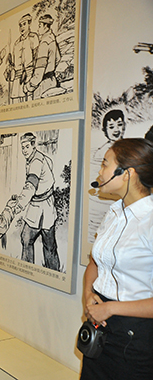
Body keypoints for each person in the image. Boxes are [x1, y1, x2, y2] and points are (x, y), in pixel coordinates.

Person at [82, 138, 153, 379]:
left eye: (105, 164)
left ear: (126, 173)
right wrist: (88, 294)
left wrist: (111, 308)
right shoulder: (114, 213)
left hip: (134, 339)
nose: (100, 172)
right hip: (100, 326)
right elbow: (95, 262)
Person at [13, 133, 59, 271]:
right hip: (37, 204)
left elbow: (31, 186)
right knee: (26, 238)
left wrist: (19, 204)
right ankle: (27, 270)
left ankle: (53, 271)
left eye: (27, 147)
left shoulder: (36, 162)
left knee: (48, 243)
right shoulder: (36, 158)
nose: (24, 150)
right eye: (22, 147)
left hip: (45, 205)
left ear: (33, 146)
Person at [24, 14, 61, 99]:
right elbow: (58, 59)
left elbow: (39, 71)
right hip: (52, 80)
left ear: (45, 26)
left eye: (40, 26)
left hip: (43, 85)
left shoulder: (44, 43)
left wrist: (28, 86)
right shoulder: (52, 39)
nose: (38, 29)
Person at [7, 13, 39, 103]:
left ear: (29, 24)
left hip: (29, 75)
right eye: (20, 25)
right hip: (17, 77)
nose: (22, 27)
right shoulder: (16, 43)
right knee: (16, 102)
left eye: (24, 24)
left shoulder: (33, 37)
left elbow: (36, 57)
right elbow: (14, 63)